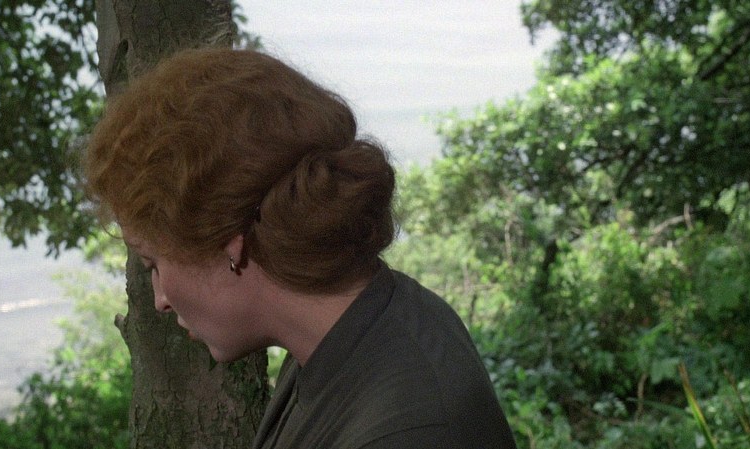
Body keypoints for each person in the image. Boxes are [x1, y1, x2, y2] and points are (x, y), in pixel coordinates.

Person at [83, 47, 517, 449]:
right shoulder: (349, 332)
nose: (160, 299)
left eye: (154, 264)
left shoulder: (407, 432)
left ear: (229, 246)